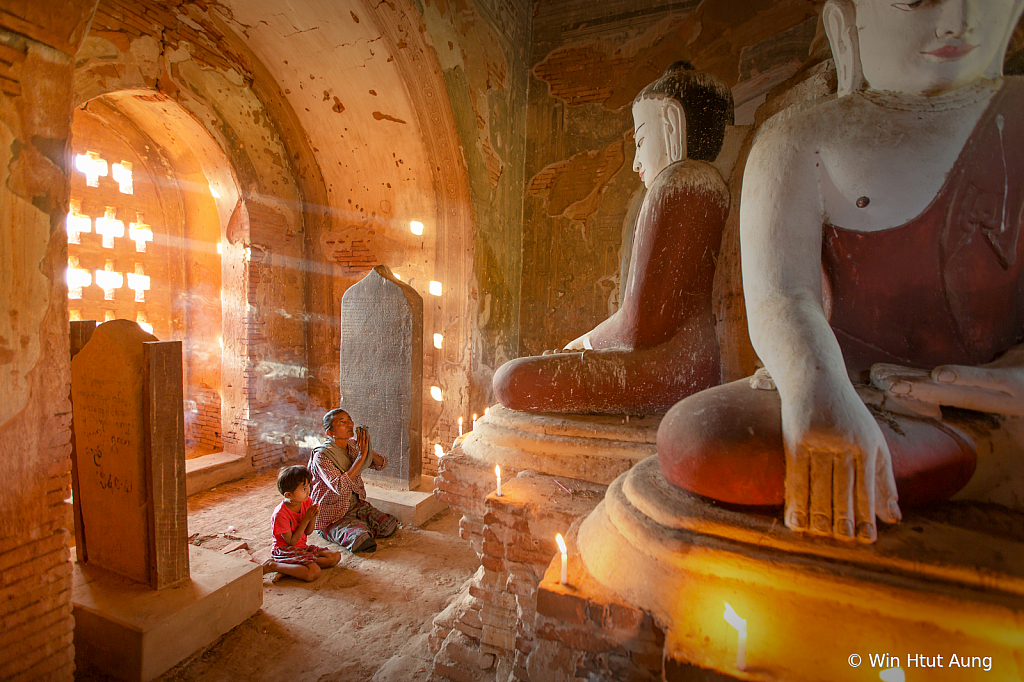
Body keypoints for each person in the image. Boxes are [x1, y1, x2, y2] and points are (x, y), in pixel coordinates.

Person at [658, 0, 1024, 543]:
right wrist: (817, 390)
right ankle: (986, 463)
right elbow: (782, 297)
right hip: (851, 386)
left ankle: (993, 454)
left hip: (988, 401)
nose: (956, 20)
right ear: (846, 22)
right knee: (707, 439)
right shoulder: (797, 137)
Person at [492, 62, 733, 414]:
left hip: (672, 368)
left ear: (671, 124)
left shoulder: (680, 182)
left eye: (640, 141)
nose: (636, 163)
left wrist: (584, 343)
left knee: (510, 380)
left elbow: (640, 327)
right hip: (687, 360)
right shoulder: (708, 185)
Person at [308, 408, 399, 552]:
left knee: (389, 525)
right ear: (330, 433)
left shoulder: (352, 445)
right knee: (362, 541)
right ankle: (333, 530)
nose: (350, 424)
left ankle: (358, 525)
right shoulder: (322, 456)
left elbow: (382, 464)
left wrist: (367, 450)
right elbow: (339, 486)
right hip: (332, 512)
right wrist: (361, 457)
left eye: (349, 419)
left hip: (355, 505)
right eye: (342, 422)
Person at [263, 465, 341, 581]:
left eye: (308, 486)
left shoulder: (306, 501)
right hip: (285, 550)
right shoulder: (280, 514)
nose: (308, 491)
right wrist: (305, 519)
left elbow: (308, 532)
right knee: (313, 572)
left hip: (301, 549)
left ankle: (290, 569)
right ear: (288, 495)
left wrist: (312, 516)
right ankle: (273, 565)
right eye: (304, 489)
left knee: (334, 556)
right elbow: (291, 542)